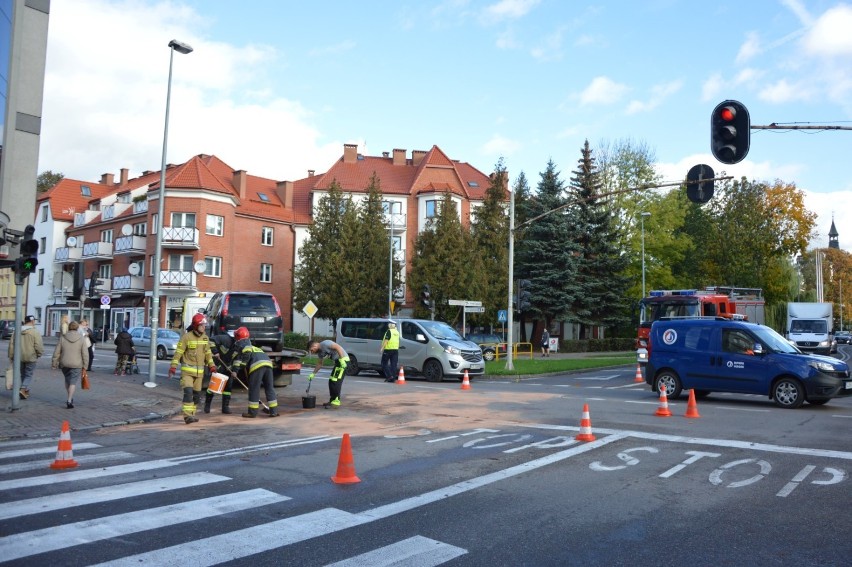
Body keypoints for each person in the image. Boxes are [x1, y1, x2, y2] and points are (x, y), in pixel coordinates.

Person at [169, 313, 216, 424]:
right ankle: (187, 416)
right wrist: (173, 367)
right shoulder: (186, 337)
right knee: (188, 393)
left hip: (199, 374)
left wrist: (212, 365)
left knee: (196, 396)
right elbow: (178, 353)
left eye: (205, 325)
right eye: (202, 325)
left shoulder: (205, 338)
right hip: (187, 373)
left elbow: (208, 354)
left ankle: (192, 415)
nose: (204, 327)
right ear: (196, 326)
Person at [230, 327, 278, 418]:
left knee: (254, 389)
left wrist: (236, 371)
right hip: (268, 364)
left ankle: (252, 412)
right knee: (269, 388)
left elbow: (240, 359)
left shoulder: (242, 345)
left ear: (237, 337)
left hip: (257, 366)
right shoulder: (254, 347)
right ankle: (274, 411)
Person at [51, 320, 89, 409]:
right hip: (77, 364)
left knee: (67, 380)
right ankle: (69, 400)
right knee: (73, 382)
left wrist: (54, 363)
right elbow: (85, 353)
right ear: (77, 328)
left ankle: (70, 397)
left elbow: (57, 351)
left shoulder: (62, 338)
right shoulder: (81, 338)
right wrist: (85, 365)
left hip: (64, 363)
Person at [8, 315, 44, 400]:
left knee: (23, 373)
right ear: (32, 321)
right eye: (34, 320)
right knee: (28, 374)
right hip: (31, 356)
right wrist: (39, 354)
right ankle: (23, 388)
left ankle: (24, 390)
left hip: (18, 356)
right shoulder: (35, 332)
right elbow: (38, 345)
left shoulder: (17, 331)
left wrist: (11, 356)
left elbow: (12, 345)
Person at [306, 339, 349, 409]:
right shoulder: (320, 353)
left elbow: (338, 347)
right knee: (331, 381)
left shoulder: (325, 344)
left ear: (314, 345)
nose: (312, 352)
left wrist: (342, 360)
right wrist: (313, 374)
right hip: (338, 362)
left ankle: (336, 402)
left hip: (343, 361)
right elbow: (320, 364)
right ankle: (332, 400)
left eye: (311, 350)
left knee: (335, 381)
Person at [204, 332, 236, 414]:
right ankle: (207, 405)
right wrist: (215, 352)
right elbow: (210, 340)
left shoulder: (240, 346)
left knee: (228, 387)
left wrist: (234, 370)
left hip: (229, 366)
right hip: (219, 363)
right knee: (214, 385)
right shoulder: (225, 339)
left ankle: (225, 407)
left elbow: (238, 359)